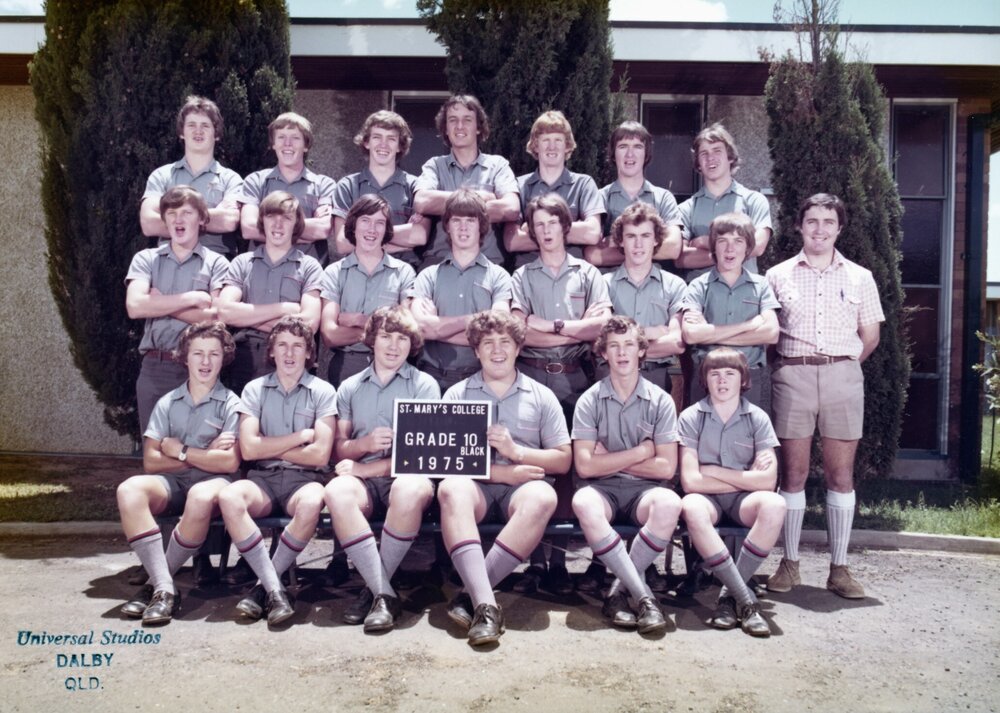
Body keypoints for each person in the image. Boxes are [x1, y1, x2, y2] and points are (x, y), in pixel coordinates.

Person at [764, 193, 884, 599]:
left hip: (842, 376)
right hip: (793, 376)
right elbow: (768, 335)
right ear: (800, 226)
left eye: (827, 221)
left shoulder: (859, 277)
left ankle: (839, 568)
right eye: (811, 221)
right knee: (793, 475)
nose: (819, 229)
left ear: (839, 227)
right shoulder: (778, 275)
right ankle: (790, 563)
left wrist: (841, 365)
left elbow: (870, 336)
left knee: (840, 476)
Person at [438, 310, 572, 646]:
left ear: (518, 348)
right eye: (488, 343)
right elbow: (444, 461)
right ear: (476, 350)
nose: (497, 350)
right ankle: (486, 605)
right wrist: (501, 472)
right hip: (477, 492)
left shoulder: (542, 396)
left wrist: (517, 452)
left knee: (544, 496)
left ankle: (472, 598)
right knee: (451, 488)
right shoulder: (457, 394)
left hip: (521, 493)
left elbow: (563, 460)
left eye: (505, 342)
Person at [511, 193, 612, 595]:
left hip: (575, 377)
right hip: (533, 374)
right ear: (532, 231)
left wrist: (550, 326)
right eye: (539, 225)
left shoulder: (587, 274)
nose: (547, 231)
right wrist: (572, 325)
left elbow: (599, 327)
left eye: (553, 223)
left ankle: (561, 561)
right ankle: (537, 561)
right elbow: (518, 330)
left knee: (574, 468)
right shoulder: (523, 276)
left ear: (565, 227)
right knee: (540, 465)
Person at [324, 306, 440, 632]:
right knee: (336, 491)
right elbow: (339, 448)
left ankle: (373, 589)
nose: (393, 346)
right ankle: (384, 594)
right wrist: (363, 446)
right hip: (365, 479)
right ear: (371, 340)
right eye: (386, 337)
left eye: (402, 338)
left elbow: (422, 455)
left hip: (404, 476)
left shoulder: (424, 385)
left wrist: (365, 468)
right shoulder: (349, 386)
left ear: (412, 343)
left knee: (410, 488)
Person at [116, 321, 241, 625]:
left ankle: (156, 588)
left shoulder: (232, 404)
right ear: (184, 357)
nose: (206, 361)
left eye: (213, 353)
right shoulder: (167, 402)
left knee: (199, 495)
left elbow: (229, 464)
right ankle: (164, 588)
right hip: (172, 483)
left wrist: (180, 450)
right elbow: (151, 462)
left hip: (214, 485)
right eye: (198, 353)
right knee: (129, 490)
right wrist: (206, 454)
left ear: (224, 358)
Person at [218, 316, 337, 627]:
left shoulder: (323, 392)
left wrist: (268, 445)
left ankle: (264, 589)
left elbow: (320, 454)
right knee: (231, 497)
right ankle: (276, 588)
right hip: (263, 479)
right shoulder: (254, 389)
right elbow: (249, 449)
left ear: (309, 354)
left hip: (305, 480)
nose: (289, 353)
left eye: (298, 346)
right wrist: (299, 438)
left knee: (312, 502)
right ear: (271, 351)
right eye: (282, 345)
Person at [571, 317, 680, 634]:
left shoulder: (660, 400)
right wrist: (641, 452)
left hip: (644, 492)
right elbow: (585, 467)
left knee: (670, 504)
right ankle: (644, 597)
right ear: (603, 353)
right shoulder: (590, 399)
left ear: (641, 350)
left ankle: (617, 593)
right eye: (613, 346)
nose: (621, 353)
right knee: (584, 503)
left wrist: (610, 459)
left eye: (629, 344)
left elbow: (666, 468)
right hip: (601, 490)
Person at [679, 347, 785, 637]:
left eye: (730, 374)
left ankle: (727, 596)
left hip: (742, 502)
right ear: (705, 380)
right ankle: (746, 602)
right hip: (708, 500)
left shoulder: (757, 418)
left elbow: (768, 482)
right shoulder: (691, 417)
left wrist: (713, 471)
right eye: (715, 374)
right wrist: (746, 477)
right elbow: (690, 482)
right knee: (691, 506)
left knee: (775, 505)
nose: (722, 381)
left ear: (744, 379)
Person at [126, 186, 230, 432]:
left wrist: (161, 303)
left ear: (202, 218)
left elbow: (216, 319)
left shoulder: (217, 263)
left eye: (186, 212)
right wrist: (193, 298)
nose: (178, 219)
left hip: (198, 370)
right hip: (155, 366)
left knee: (196, 449)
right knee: (155, 452)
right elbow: (135, 306)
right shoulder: (146, 259)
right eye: (171, 213)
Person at [218, 191, 323, 397]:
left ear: (296, 224)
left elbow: (309, 324)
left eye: (286, 218)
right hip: (244, 356)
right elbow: (224, 312)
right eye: (271, 217)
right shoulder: (242, 262)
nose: (278, 224)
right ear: (262, 221)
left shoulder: (310, 267)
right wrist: (284, 309)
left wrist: (247, 320)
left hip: (289, 357)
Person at [409, 189, 513, 391]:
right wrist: (476, 320)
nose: (463, 227)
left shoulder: (499, 276)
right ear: (446, 226)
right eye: (456, 220)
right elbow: (421, 329)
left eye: (470, 220)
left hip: (482, 381)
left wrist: (437, 329)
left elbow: (496, 333)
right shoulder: (428, 276)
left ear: (482, 226)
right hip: (431, 379)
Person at [678, 212, 779, 407]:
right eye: (722, 241)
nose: (730, 248)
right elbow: (690, 335)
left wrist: (709, 334)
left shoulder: (761, 285)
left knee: (748, 435)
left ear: (748, 247)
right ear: (714, 246)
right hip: (707, 375)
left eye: (738, 241)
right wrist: (749, 325)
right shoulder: (698, 286)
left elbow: (771, 333)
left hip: (749, 377)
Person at [412, 94, 520, 268]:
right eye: (453, 120)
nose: (459, 126)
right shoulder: (435, 166)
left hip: (488, 266)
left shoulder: (497, 165)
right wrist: (483, 198)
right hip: (439, 265)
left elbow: (511, 208)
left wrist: (445, 207)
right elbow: (422, 202)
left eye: (467, 120)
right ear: (445, 128)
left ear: (478, 127)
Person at [321, 195, 416, 386]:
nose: (372, 229)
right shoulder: (334, 272)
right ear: (353, 225)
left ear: (387, 229)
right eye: (365, 221)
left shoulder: (404, 272)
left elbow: (406, 331)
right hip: (346, 365)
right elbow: (330, 335)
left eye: (379, 223)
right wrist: (385, 330)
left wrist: (358, 321)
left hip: (392, 366)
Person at [140, 96, 243, 258]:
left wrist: (176, 220)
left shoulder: (231, 179)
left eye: (205, 126)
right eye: (191, 125)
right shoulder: (161, 175)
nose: (198, 131)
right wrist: (207, 219)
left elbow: (228, 221)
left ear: (216, 134)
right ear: (182, 132)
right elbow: (148, 223)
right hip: (167, 262)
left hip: (216, 263)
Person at [503, 110, 603, 268]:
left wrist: (532, 229)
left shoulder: (583, 184)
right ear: (536, 146)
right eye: (545, 140)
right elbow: (512, 242)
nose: (552, 147)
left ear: (567, 145)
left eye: (558, 140)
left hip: (573, 275)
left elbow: (592, 233)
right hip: (529, 276)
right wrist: (573, 230)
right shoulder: (519, 185)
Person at [331, 110, 430, 266]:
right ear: (366, 142)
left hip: (404, 273)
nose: (383, 144)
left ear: (400, 146)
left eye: (391, 139)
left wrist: (363, 238)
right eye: (377, 137)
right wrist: (403, 239)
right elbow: (342, 243)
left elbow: (419, 236)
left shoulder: (415, 186)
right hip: (357, 273)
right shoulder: (347, 186)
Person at [674, 123, 772, 278]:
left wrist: (706, 242)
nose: (710, 158)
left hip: (744, 294)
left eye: (717, 150)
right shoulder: (686, 208)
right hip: (701, 297)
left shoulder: (754, 200)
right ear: (698, 164)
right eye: (703, 153)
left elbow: (758, 246)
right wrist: (734, 249)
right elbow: (680, 259)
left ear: (730, 157)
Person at [240, 112, 335, 265]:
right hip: (261, 270)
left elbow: (322, 229)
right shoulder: (256, 181)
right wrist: (304, 231)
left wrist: (271, 231)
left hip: (308, 274)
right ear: (273, 144)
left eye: (295, 138)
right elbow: (248, 228)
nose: (287, 144)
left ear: (306, 146)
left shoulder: (324, 185)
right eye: (281, 137)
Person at [584, 120, 682, 268]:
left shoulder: (663, 198)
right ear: (613, 153)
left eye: (637, 147)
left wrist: (615, 243)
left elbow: (673, 248)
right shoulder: (599, 197)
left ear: (646, 153)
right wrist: (651, 243)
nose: (630, 154)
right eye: (623, 147)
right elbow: (593, 255)